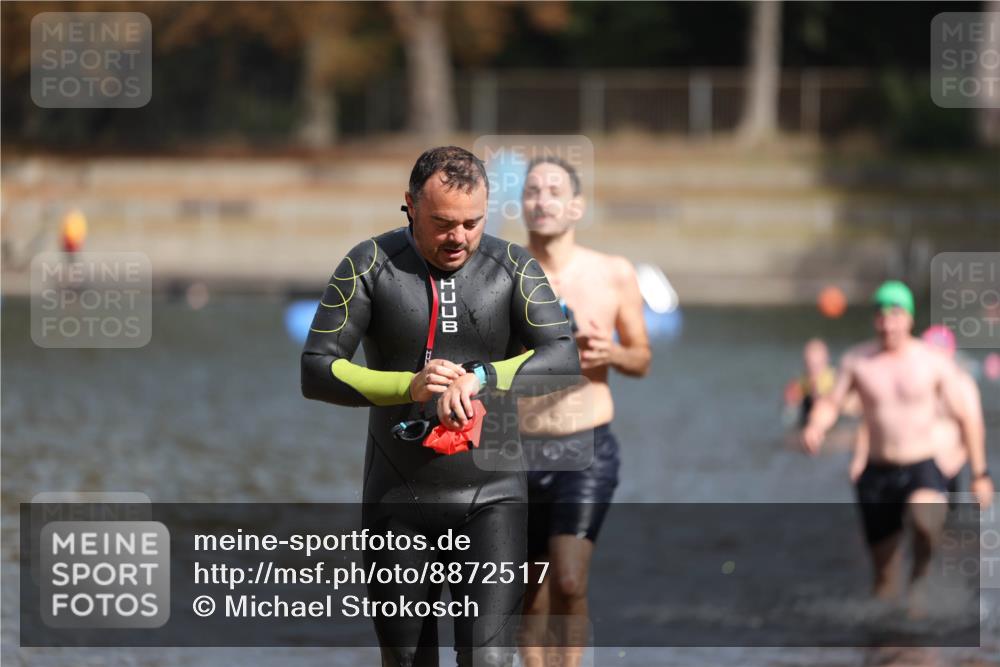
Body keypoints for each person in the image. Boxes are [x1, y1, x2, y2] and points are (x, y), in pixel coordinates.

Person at [301, 146, 580, 667]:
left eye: (472, 223)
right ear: (408, 204)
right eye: (443, 223)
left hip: (494, 494)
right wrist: (408, 387)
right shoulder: (369, 263)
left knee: (489, 661)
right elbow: (316, 368)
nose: (459, 238)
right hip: (398, 499)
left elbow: (564, 358)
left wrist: (480, 379)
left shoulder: (513, 265)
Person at [515, 156, 651, 667]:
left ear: (576, 206)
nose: (542, 200)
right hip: (516, 443)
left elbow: (641, 358)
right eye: (532, 191)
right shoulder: (501, 269)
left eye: (553, 190)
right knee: (529, 591)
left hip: (585, 442)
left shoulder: (613, 273)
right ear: (521, 204)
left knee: (568, 579)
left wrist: (610, 353)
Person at [802, 281, 992, 605]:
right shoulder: (858, 361)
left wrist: (980, 473)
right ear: (874, 319)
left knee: (925, 515)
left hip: (921, 465)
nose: (888, 323)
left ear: (909, 319)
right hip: (877, 474)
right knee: (884, 579)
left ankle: (920, 576)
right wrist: (816, 424)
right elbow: (833, 403)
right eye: (881, 315)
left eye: (895, 314)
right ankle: (887, 639)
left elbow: (967, 418)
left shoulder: (932, 362)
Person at [849, 325, 986, 497]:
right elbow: (873, 421)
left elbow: (973, 426)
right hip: (912, 464)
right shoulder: (915, 378)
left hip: (946, 468)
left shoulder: (963, 385)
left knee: (932, 521)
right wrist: (860, 459)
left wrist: (969, 467)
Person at [784, 338, 836, 428]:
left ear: (826, 361)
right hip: (808, 414)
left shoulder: (834, 379)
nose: (813, 370)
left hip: (829, 415)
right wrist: (791, 401)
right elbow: (789, 410)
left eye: (817, 365)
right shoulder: (802, 381)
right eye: (809, 365)